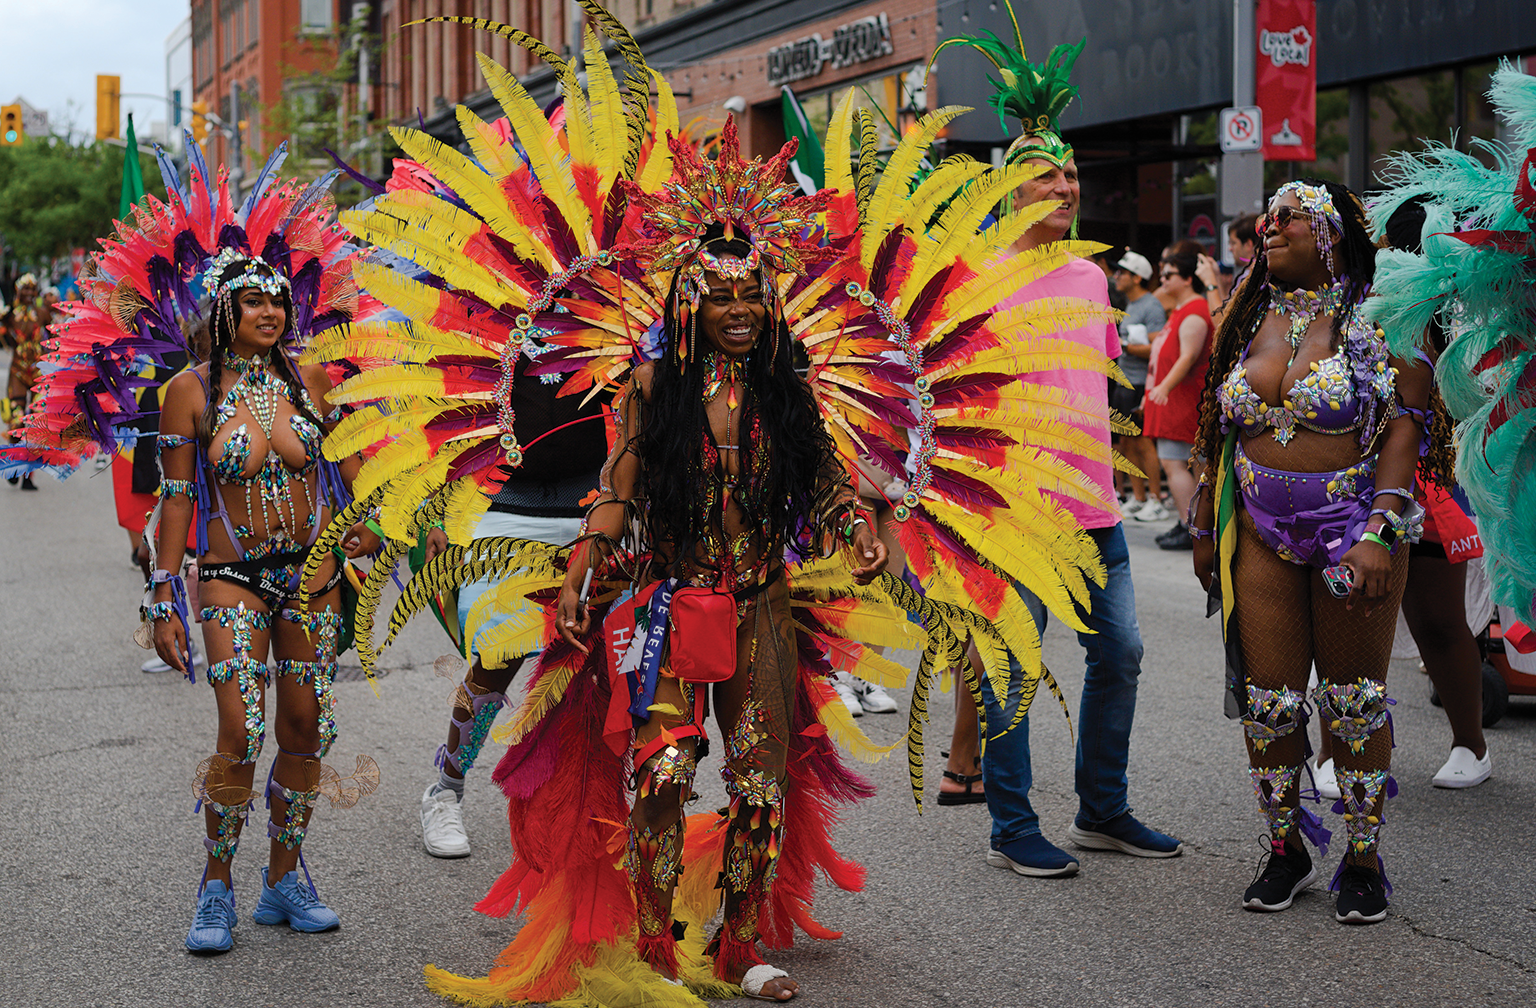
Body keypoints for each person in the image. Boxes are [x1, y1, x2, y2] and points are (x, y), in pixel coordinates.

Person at [2, 144, 373, 954]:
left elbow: (345, 475)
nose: (269, 314)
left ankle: (285, 879)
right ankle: (216, 887)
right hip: (232, 576)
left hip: (310, 580)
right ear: (223, 313)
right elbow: (175, 501)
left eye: (277, 301)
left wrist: (365, 533)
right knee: (241, 732)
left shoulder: (311, 380)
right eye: (252, 304)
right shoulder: (189, 392)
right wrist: (162, 593)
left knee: (309, 731)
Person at [937, 22, 1182, 879]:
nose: (1066, 187)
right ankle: (1011, 826)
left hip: (1095, 512)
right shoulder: (972, 276)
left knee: (1121, 653)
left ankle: (1102, 810)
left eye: (1073, 173)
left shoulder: (1090, 275)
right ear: (1008, 188)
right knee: (1010, 673)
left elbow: (1097, 385)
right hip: (1012, 517)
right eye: (1047, 174)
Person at [1190, 179, 1443, 924]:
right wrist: (1206, 521)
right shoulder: (1247, 310)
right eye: (1269, 217)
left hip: (1355, 533)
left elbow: (1406, 426)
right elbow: (1219, 424)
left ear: (1333, 231)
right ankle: (1286, 851)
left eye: (1291, 217)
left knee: (1353, 702)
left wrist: (1377, 532)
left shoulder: (1383, 310)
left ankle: (1363, 861)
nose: (1272, 227)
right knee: (1268, 704)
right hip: (1261, 533)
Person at [1143, 248, 1214, 550]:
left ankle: (1194, 528)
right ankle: (1190, 523)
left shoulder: (1195, 311)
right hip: (1176, 400)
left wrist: (1163, 389)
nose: (1163, 279)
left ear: (1187, 279)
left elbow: (1187, 357)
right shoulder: (1183, 309)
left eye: (1169, 274)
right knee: (1179, 464)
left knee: (1179, 464)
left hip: (1184, 401)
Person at [1112, 250, 1168, 524]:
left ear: (1137, 278)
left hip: (1141, 383)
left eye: (1122, 272)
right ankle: (1139, 497)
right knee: (1126, 443)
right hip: (1125, 382)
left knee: (1144, 442)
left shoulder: (1151, 306)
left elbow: (1159, 348)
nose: (1117, 277)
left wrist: (1128, 348)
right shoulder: (1130, 305)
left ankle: (1156, 499)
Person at [2, 274, 50, 490]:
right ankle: (13, 465)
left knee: (36, 425)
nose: (29, 293)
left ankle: (28, 477)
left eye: (33, 289)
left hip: (39, 372)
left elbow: (53, 338)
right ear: (18, 291)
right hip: (17, 372)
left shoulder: (42, 314)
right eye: (25, 289)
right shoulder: (10, 315)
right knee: (16, 420)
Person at [1196, 213, 1259, 318]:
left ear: (1248, 244)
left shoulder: (1252, 278)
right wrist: (1216, 276)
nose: (1230, 249)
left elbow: (1222, 321)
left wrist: (1210, 283)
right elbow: (1226, 307)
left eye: (1233, 243)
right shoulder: (1249, 274)